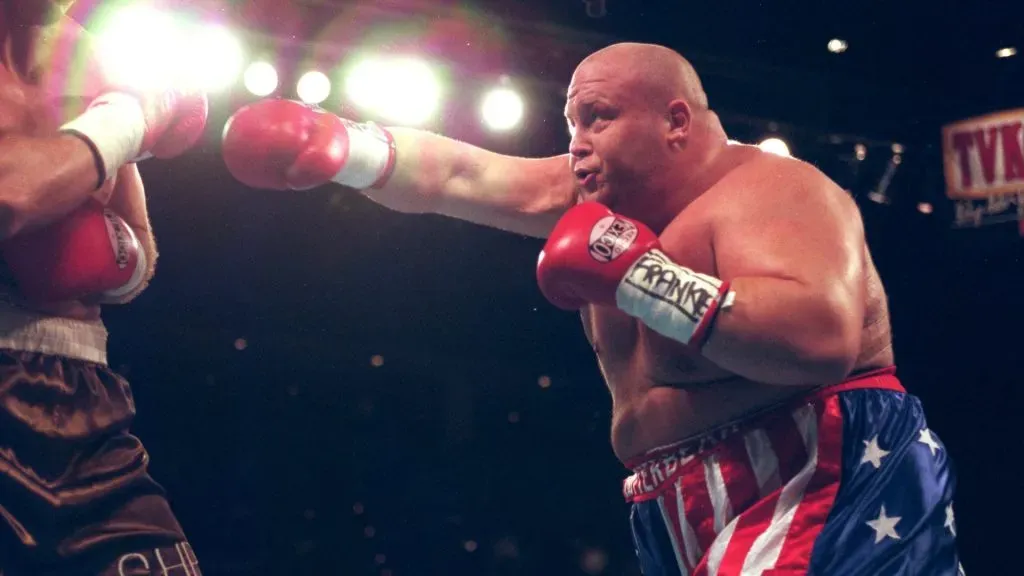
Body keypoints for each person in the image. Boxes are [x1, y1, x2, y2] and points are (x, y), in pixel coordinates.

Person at [221, 43, 963, 575]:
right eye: (570, 124)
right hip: (669, 496)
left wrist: (641, 278)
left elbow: (820, 340)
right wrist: (336, 145)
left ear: (676, 120)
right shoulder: (594, 199)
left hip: (817, 466)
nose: (575, 146)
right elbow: (459, 174)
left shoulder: (775, 191)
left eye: (597, 119)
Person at [0, 1, 207, 574]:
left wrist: (111, 260)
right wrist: (127, 120)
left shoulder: (95, 60)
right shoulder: (121, 101)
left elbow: (139, 244)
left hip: (84, 400)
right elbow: (10, 196)